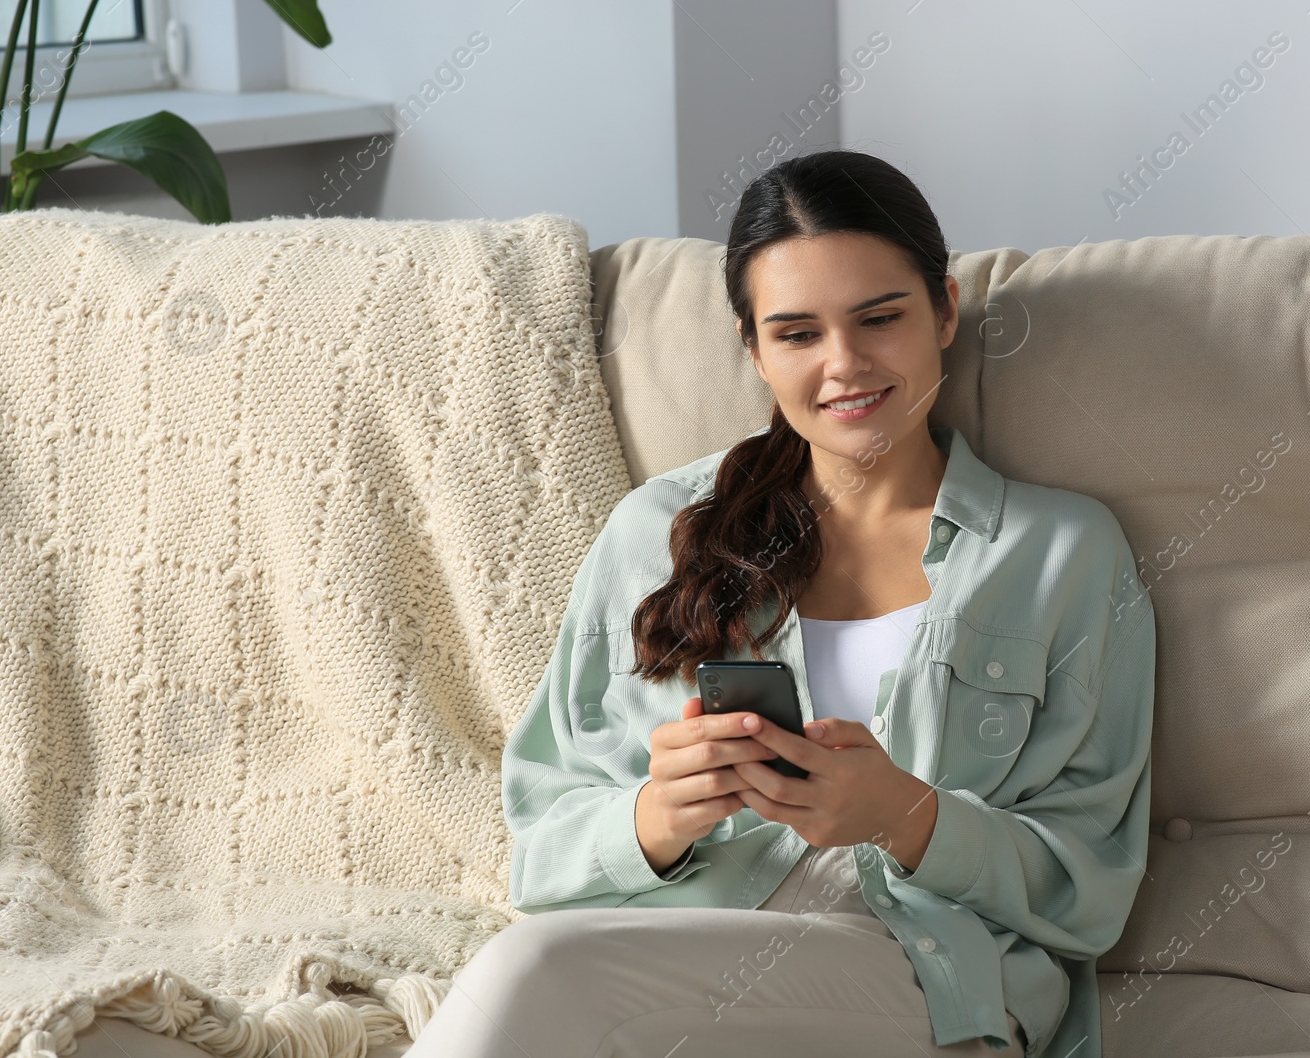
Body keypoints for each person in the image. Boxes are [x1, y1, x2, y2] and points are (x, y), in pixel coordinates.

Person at [405, 149, 1156, 1058]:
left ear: (945, 311)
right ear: (752, 348)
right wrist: (657, 818)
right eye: (797, 334)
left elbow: (1092, 885)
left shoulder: (1062, 553)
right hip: (681, 951)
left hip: (926, 973)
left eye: (881, 318)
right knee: (541, 970)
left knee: (535, 974)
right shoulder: (658, 533)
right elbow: (542, 844)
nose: (845, 365)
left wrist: (903, 815)